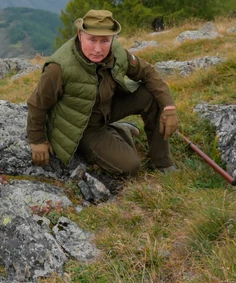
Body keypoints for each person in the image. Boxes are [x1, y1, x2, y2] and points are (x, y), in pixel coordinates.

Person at [27, 9, 179, 176]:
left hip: (106, 107)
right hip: (82, 126)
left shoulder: (117, 52)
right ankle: (119, 132)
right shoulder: (58, 68)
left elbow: (148, 72)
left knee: (152, 96)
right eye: (92, 40)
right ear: (80, 34)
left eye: (105, 40)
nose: (98, 49)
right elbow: (37, 104)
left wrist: (169, 107)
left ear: (113, 38)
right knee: (130, 166)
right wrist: (37, 140)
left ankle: (162, 161)